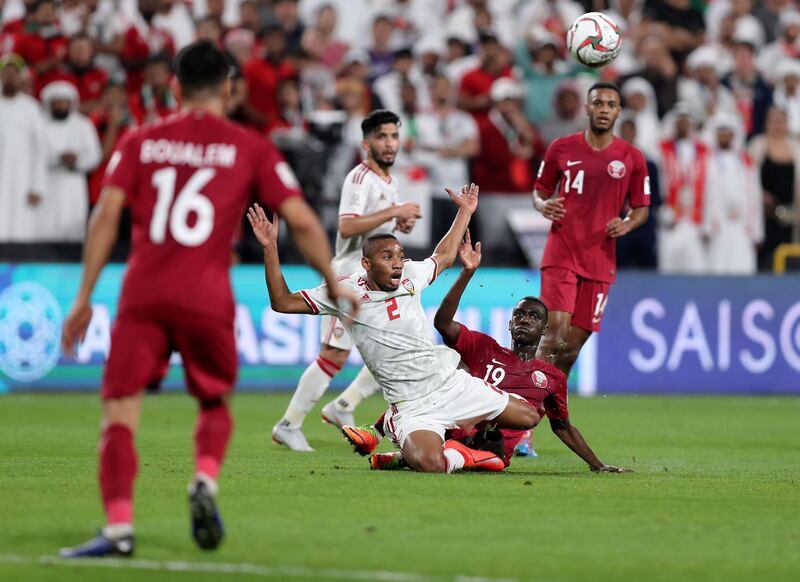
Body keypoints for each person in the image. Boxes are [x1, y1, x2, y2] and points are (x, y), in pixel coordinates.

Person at [58, 40, 352, 558]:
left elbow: (105, 214)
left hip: (143, 294)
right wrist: (330, 280)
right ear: (229, 89)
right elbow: (302, 219)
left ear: (173, 86)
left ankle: (119, 529)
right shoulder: (249, 146)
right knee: (213, 400)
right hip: (207, 296)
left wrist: (83, 295)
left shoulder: (140, 140)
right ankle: (204, 480)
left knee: (120, 412)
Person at [249, 183, 540, 474]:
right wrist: (270, 248)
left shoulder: (411, 274)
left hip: (450, 384)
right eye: (387, 257)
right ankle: (407, 433)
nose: (398, 263)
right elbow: (283, 303)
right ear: (366, 263)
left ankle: (409, 450)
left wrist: (464, 212)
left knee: (528, 417)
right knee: (431, 464)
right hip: (412, 405)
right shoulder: (345, 292)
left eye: (399, 255)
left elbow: (444, 256)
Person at [342, 231, 631, 473]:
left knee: (497, 456)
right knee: (433, 374)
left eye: (533, 317)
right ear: (509, 323)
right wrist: (468, 273)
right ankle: (392, 434)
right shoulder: (485, 349)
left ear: (545, 329)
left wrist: (597, 465)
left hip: (492, 451)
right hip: (448, 428)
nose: (525, 320)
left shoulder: (551, 377)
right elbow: (442, 323)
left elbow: (563, 427)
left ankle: (402, 454)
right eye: (519, 315)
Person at [272, 109, 422, 451]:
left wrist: (399, 225)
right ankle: (288, 424)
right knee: (334, 355)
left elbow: (377, 229)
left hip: (377, 277)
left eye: (393, 136)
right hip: (351, 275)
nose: (389, 143)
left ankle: (344, 405)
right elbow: (347, 225)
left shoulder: (389, 180)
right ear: (366, 143)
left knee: (396, 345)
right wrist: (394, 213)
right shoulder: (359, 178)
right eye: (381, 137)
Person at [532, 82, 650, 377]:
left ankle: (550, 408)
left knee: (571, 347)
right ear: (587, 108)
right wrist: (542, 205)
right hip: (562, 250)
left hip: (600, 259)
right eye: (598, 103)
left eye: (611, 105)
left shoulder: (631, 157)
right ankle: (523, 408)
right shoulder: (561, 147)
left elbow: (642, 208)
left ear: (619, 112)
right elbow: (539, 191)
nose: (604, 110)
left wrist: (627, 223)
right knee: (555, 332)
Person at [41, 80, 102, 241]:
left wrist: (77, 161)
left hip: (74, 184)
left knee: (74, 228)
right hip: (47, 182)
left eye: (64, 102)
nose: (60, 106)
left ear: (71, 103)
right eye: (56, 102)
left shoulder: (83, 125)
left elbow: (94, 155)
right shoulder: (40, 124)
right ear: (49, 104)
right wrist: (57, 159)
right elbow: (33, 155)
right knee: (45, 227)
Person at [705, 113, 764, 274]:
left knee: (743, 267)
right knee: (716, 267)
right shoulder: (707, 160)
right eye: (721, 131)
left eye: (728, 131)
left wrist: (757, 231)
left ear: (734, 134)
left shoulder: (746, 162)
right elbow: (704, 195)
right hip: (718, 225)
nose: (724, 135)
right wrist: (705, 226)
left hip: (742, 225)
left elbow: (755, 197)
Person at [657, 102, 711, 273]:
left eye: (686, 122)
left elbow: (711, 187)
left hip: (695, 219)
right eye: (679, 121)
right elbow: (656, 181)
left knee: (697, 268)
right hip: (671, 218)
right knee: (668, 267)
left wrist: (708, 219)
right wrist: (662, 209)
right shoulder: (662, 148)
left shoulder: (704, 151)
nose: (683, 125)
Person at [0, 53, 48, 242]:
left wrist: (37, 185)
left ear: (21, 77)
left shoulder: (31, 108)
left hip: (23, 180)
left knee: (21, 230)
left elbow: (40, 150)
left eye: (14, 73)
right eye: (6, 72)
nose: (10, 77)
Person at [748, 106, 800, 269]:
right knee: (765, 261)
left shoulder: (796, 149)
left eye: (781, 121)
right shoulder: (757, 145)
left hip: (789, 218)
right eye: (773, 121)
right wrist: (760, 195)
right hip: (764, 216)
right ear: (766, 123)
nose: (777, 125)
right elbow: (746, 179)